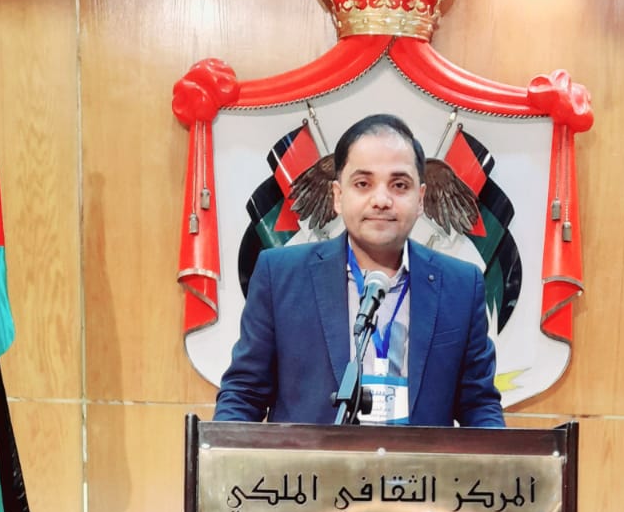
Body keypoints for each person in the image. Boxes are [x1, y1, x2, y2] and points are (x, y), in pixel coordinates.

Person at [213, 113, 505, 427]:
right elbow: (243, 395)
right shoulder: (280, 275)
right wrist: (223, 450)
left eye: (399, 185)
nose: (381, 200)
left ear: (420, 199)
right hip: (309, 460)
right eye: (363, 184)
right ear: (338, 196)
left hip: (418, 461)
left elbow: (479, 406)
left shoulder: (461, 286)